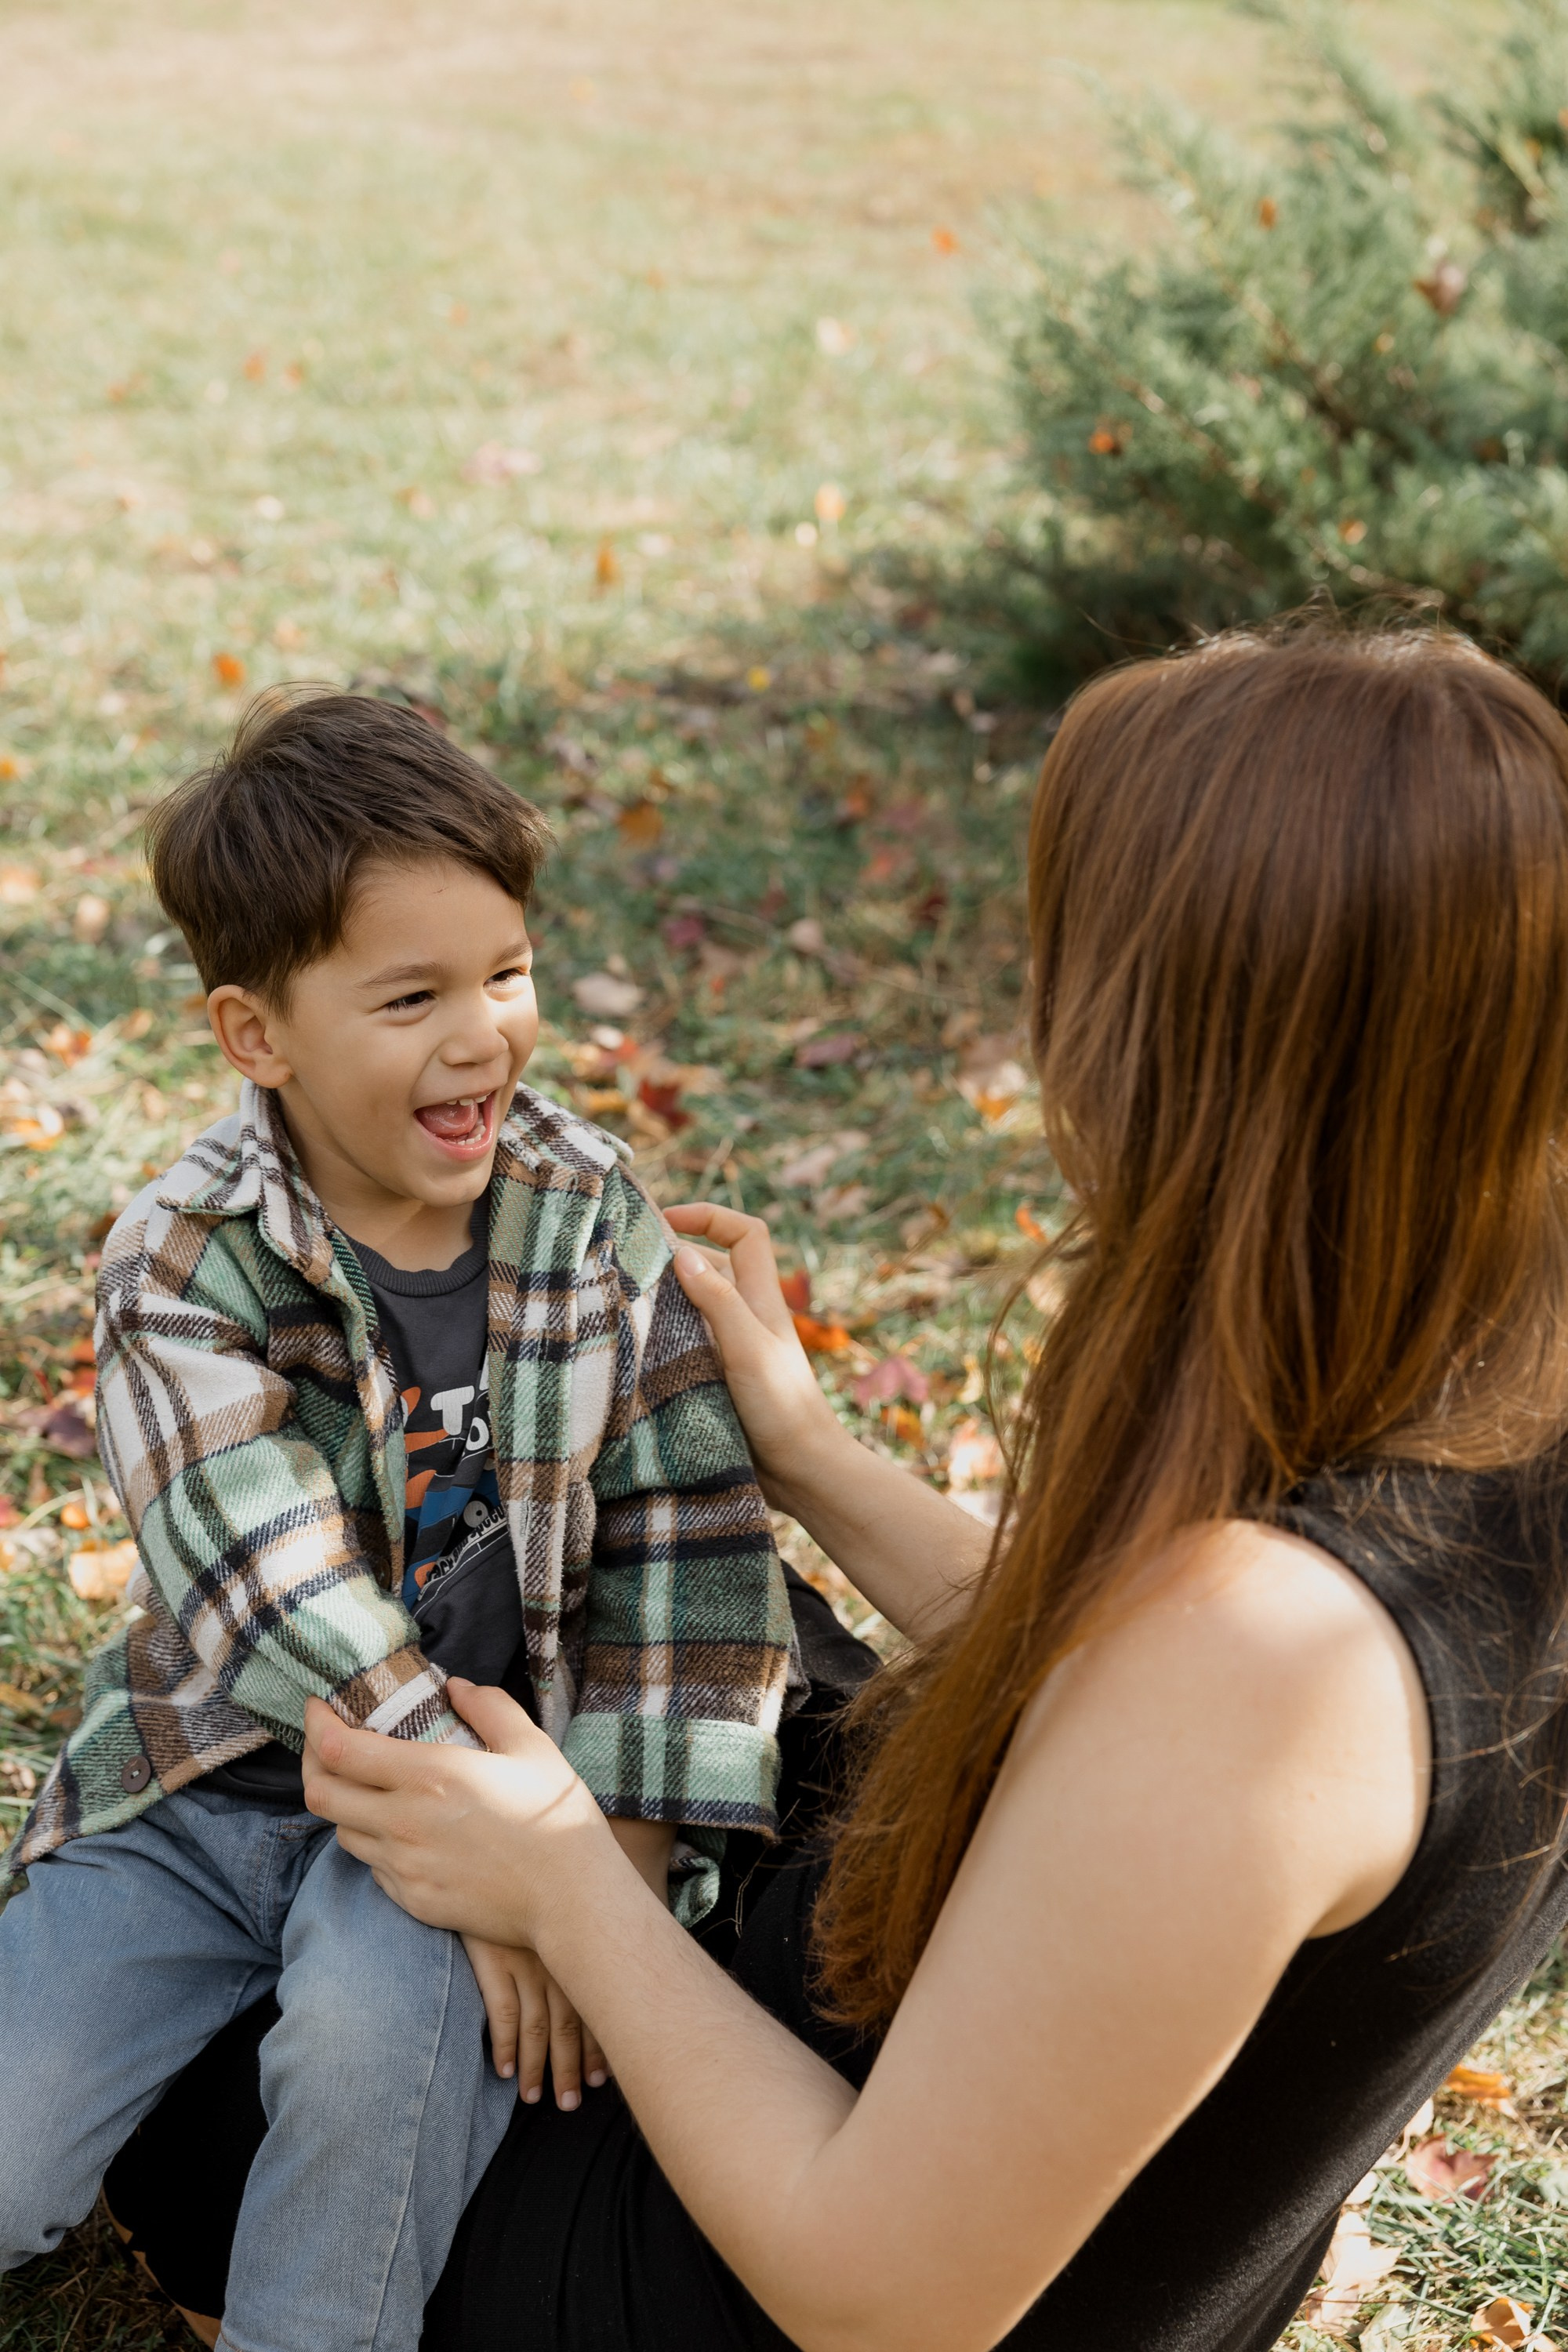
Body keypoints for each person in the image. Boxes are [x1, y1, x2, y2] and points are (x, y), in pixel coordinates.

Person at [107, 625, 1568, 2350]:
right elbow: (1123, 1726)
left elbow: (884, 2302)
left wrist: (568, 1881)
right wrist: (805, 1455)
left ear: (1198, 1053)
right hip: (1003, 2102)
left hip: (755, 2272)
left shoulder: (1265, 1661)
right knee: (755, 1647)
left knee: (196, 2097)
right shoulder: (1494, 1389)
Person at [0, 690, 800, 2352]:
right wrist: (518, 1848)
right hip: (216, 1785)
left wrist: (608, 1866)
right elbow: (263, 1577)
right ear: (256, 1035)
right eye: (411, 997)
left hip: (464, 1834)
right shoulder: (183, 1261)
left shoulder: (586, 1216)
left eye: (504, 975)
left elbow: (688, 1533)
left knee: (380, 2074)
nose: (481, 1037)